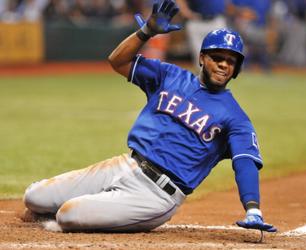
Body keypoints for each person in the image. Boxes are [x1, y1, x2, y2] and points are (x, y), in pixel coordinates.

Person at [23, 0, 276, 233]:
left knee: (69, 214)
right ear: (202, 58)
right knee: (33, 197)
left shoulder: (236, 118)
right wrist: (146, 32)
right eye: (217, 57)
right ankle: (80, 206)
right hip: (125, 165)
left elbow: (245, 162)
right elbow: (117, 61)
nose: (223, 64)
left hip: (157, 195)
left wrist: (252, 207)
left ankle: (85, 210)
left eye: (231, 61)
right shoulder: (169, 76)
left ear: (236, 68)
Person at [176, 0, 229, 68]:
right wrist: (185, 11)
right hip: (196, 20)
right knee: (199, 54)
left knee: (220, 51)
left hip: (216, 20)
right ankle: (204, 76)